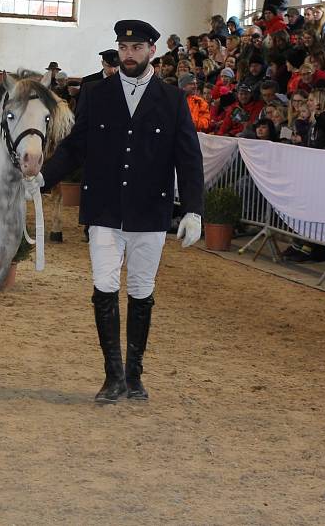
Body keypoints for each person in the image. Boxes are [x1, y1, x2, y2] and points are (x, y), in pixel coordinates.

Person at [34, 20, 204, 403]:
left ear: (151, 52)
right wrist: (43, 179)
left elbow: (188, 158)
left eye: (137, 48)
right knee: (105, 286)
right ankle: (112, 375)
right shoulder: (96, 94)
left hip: (149, 211)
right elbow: (75, 148)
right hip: (106, 209)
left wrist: (193, 209)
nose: (129, 54)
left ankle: (134, 375)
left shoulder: (173, 100)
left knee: (142, 291)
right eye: (124, 48)